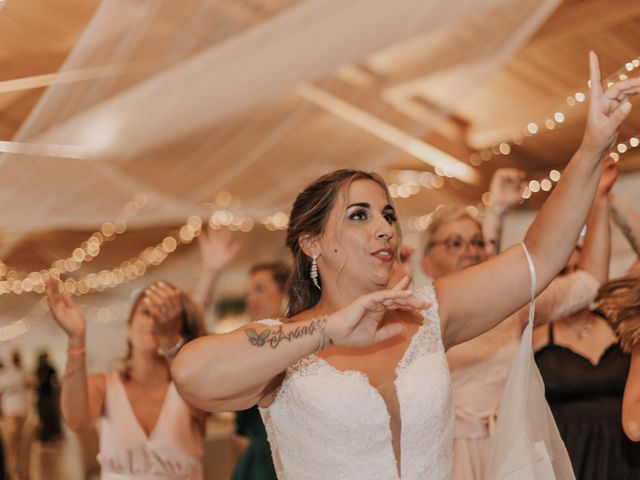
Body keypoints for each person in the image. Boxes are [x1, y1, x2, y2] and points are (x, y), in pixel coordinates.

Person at [171, 52, 640, 479]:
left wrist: (592, 146)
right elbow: (192, 374)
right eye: (360, 215)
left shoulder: (429, 314)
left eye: (388, 215)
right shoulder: (285, 348)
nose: (385, 229)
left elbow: (538, 256)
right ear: (311, 242)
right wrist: (328, 331)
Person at [417, 160, 614, 479]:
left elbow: (591, 279)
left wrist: (600, 200)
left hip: (514, 452)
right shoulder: (417, 318)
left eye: (478, 242)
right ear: (426, 262)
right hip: (451, 458)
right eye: (455, 243)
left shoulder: (512, 310)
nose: (470, 250)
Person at [46, 278, 207, 480]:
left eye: (164, 313)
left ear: (179, 328)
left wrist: (170, 344)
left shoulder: (189, 389)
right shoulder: (105, 386)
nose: (154, 320)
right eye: (147, 311)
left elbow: (204, 409)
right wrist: (76, 338)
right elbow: (76, 420)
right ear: (129, 326)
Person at [232, 263, 290, 480]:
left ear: (286, 291)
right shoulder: (243, 345)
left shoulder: (307, 342)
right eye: (248, 292)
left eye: (259, 289)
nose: (251, 298)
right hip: (258, 463)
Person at [0, 352, 34, 480]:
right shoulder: (19, 373)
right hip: (17, 412)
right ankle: (16, 473)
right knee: (15, 446)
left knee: (13, 447)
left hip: (14, 412)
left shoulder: (10, 374)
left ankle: (15, 473)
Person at [34, 352, 62, 443]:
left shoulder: (48, 368)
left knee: (48, 416)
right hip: (44, 396)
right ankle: (46, 436)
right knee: (46, 416)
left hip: (47, 396)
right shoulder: (40, 369)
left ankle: (49, 436)